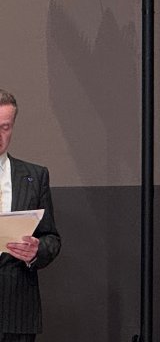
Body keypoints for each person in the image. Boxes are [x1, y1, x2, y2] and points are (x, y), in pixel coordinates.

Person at [0, 90, 60, 342]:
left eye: (4, 127)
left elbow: (51, 238)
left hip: (17, 309)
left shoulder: (35, 176)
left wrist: (36, 251)